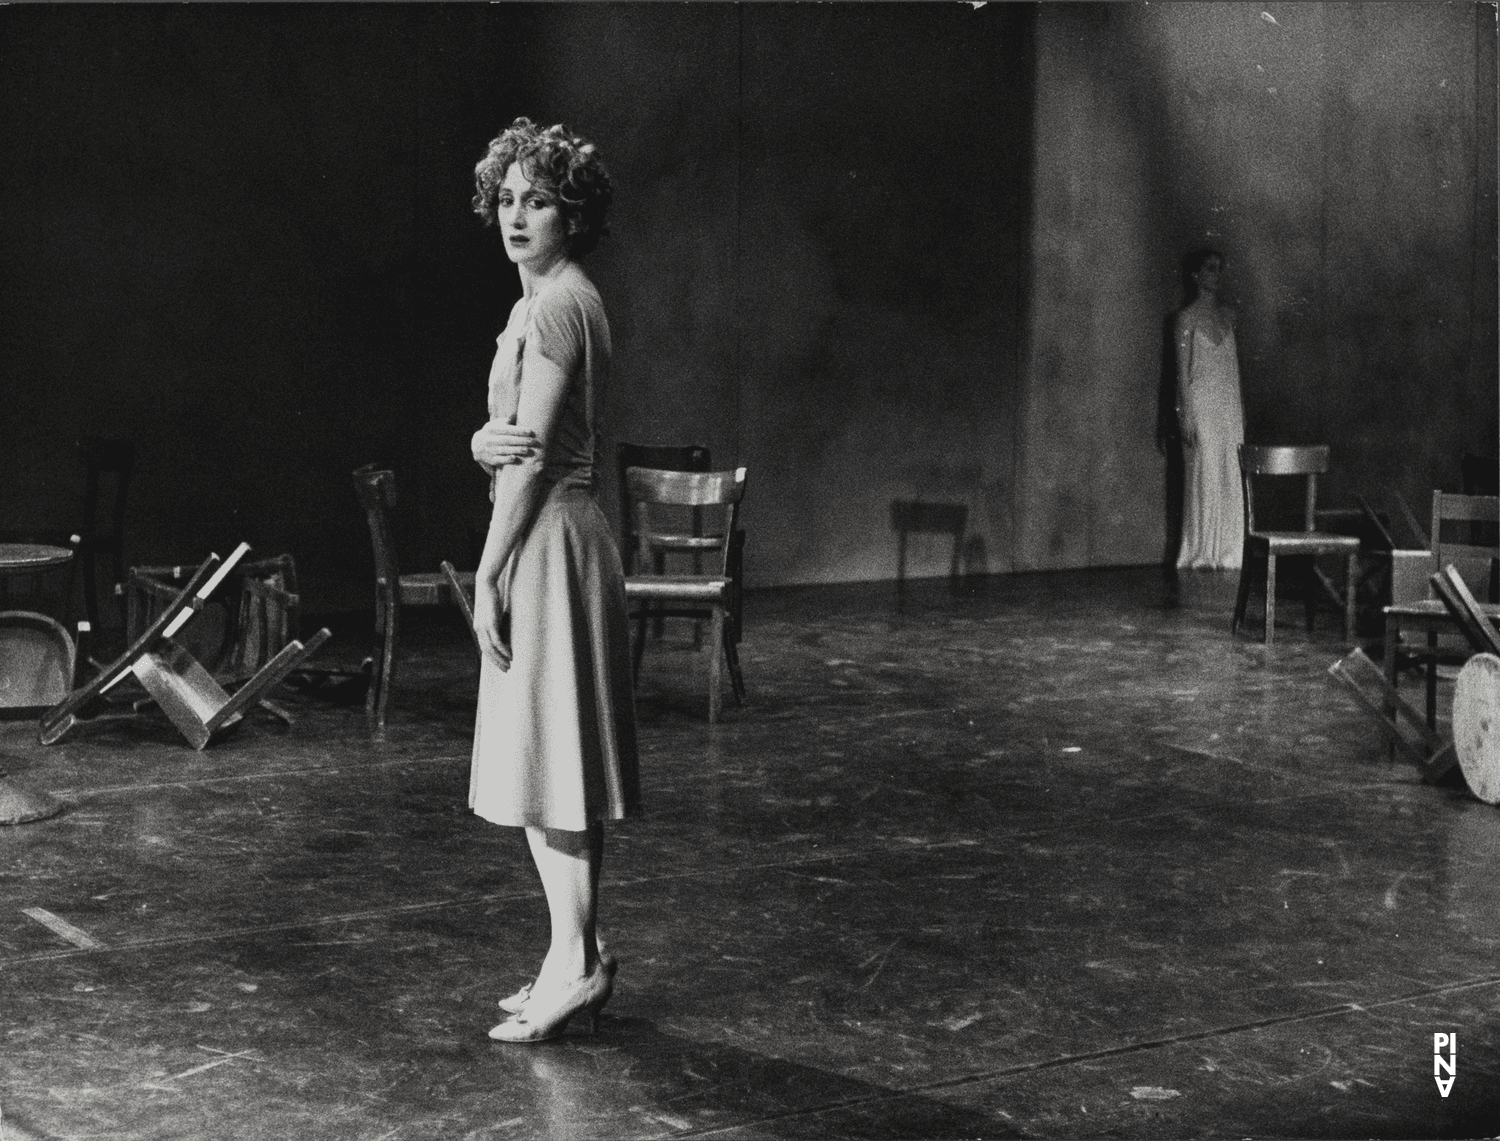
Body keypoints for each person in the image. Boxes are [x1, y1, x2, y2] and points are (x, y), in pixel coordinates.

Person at [465, 117, 639, 1043]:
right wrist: (478, 443)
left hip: (550, 539)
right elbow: (510, 439)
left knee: (556, 771)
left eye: (539, 200)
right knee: (543, 769)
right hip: (546, 533)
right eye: (507, 199)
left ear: (573, 215)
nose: (518, 215)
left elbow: (530, 460)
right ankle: (574, 950)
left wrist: (488, 572)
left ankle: (574, 963)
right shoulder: (541, 302)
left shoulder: (561, 302)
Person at [1174, 248, 1245, 571]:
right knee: (1207, 471)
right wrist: (1184, 413)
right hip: (1201, 403)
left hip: (1228, 405)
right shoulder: (1186, 318)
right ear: (1195, 275)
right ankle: (1202, 550)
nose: (1215, 274)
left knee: (1231, 470)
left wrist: (1240, 409)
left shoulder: (1229, 316)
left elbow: (1234, 369)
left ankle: (1230, 550)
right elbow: (1181, 371)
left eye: (1219, 269)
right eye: (1209, 268)